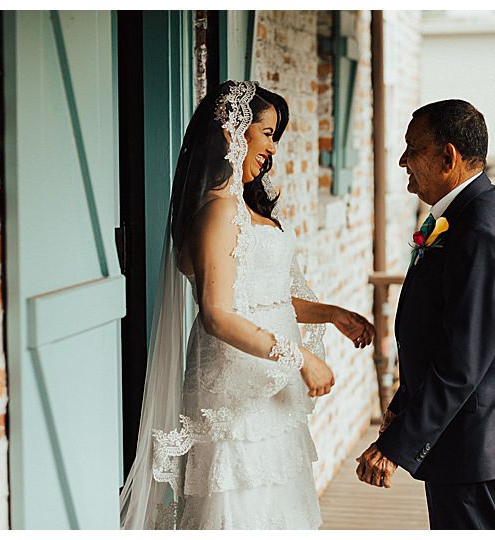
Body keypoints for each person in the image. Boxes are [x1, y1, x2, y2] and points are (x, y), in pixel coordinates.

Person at [119, 80, 375, 530]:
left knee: (275, 505)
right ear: (233, 132)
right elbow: (219, 314)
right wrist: (299, 357)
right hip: (235, 391)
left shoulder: (241, 205)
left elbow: (265, 299)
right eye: (268, 132)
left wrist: (331, 314)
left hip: (269, 386)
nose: (272, 148)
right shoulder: (218, 211)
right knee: (240, 508)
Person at [355, 99, 495, 530]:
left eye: (411, 149)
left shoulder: (481, 231)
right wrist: (404, 403)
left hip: (476, 438)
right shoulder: (469, 213)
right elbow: (442, 331)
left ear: (448, 156)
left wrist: (397, 445)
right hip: (462, 432)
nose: (403, 161)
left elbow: (463, 359)